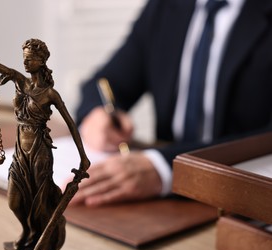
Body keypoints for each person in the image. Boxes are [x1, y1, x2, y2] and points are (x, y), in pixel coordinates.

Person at [72, 0, 272, 207]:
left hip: (242, 199)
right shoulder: (165, 6)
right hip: (162, 202)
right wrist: (96, 113)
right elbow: (105, 82)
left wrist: (165, 166)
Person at [0, 37, 90, 250]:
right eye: (24, 59)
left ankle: (43, 246)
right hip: (20, 152)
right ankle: (28, 233)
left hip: (40, 152)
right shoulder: (20, 81)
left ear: (41, 61)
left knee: (39, 203)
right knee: (15, 200)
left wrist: (83, 158)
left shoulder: (50, 94)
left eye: (30, 59)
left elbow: (71, 124)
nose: (25, 63)